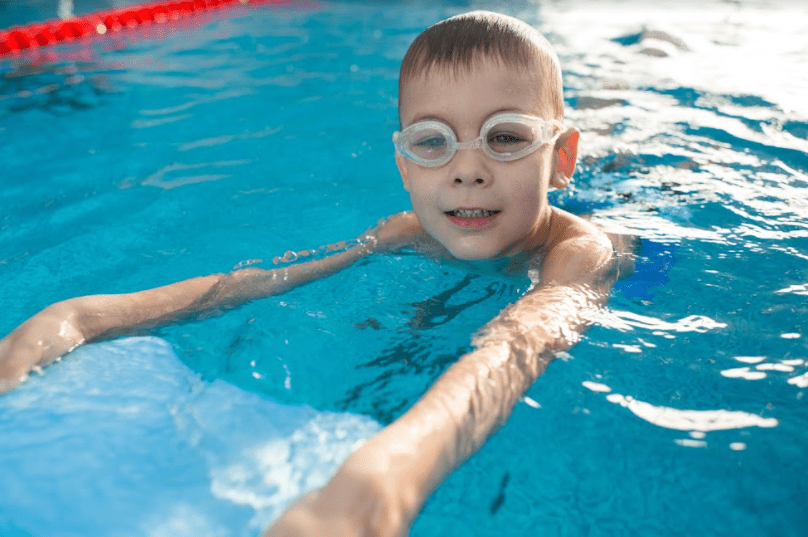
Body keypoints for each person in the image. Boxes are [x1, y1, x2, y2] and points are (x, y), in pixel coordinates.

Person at [0, 10, 632, 537]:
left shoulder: (580, 254)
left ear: (558, 157)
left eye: (506, 137)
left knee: (618, 154)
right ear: (405, 164)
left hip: (626, 211)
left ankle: (606, 106)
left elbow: (515, 349)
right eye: (434, 142)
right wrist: (87, 314)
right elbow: (262, 280)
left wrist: (390, 476)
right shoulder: (405, 230)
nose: (467, 170)